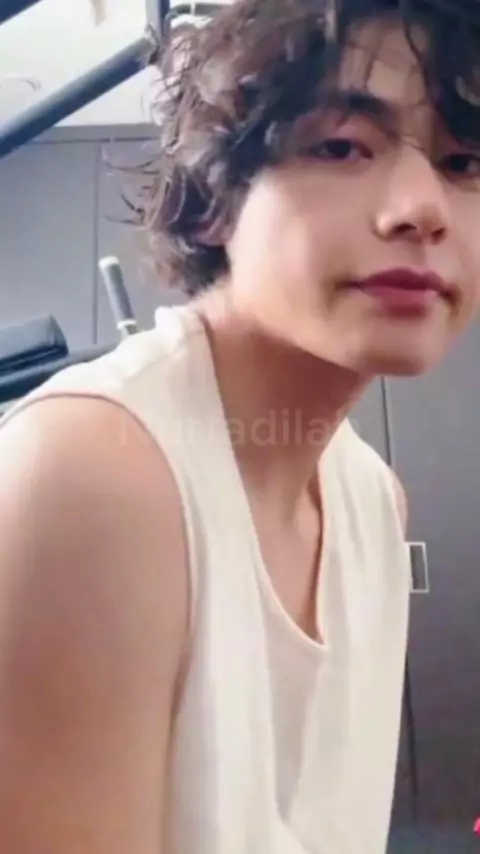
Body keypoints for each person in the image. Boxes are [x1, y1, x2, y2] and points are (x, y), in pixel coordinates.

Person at [0, 0, 479, 852]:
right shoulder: (89, 473)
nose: (421, 208)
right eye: (342, 146)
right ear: (216, 201)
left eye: (464, 161)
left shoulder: (374, 502)